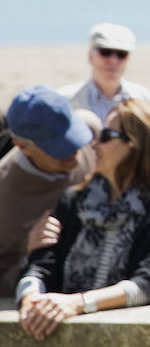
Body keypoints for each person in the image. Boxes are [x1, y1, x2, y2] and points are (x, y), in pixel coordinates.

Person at [16, 99, 150, 341]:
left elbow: (149, 283)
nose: (94, 144)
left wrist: (79, 303)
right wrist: (30, 299)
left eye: (106, 135)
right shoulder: (72, 201)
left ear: (135, 145)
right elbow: (40, 263)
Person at [0, 85, 100, 297]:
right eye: (59, 147)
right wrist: (29, 255)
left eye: (74, 135)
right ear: (22, 146)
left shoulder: (92, 134)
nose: (74, 151)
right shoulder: (5, 193)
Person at [59, 22, 150, 122]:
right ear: (90, 56)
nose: (113, 60)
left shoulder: (146, 100)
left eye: (121, 54)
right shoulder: (64, 101)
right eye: (106, 52)